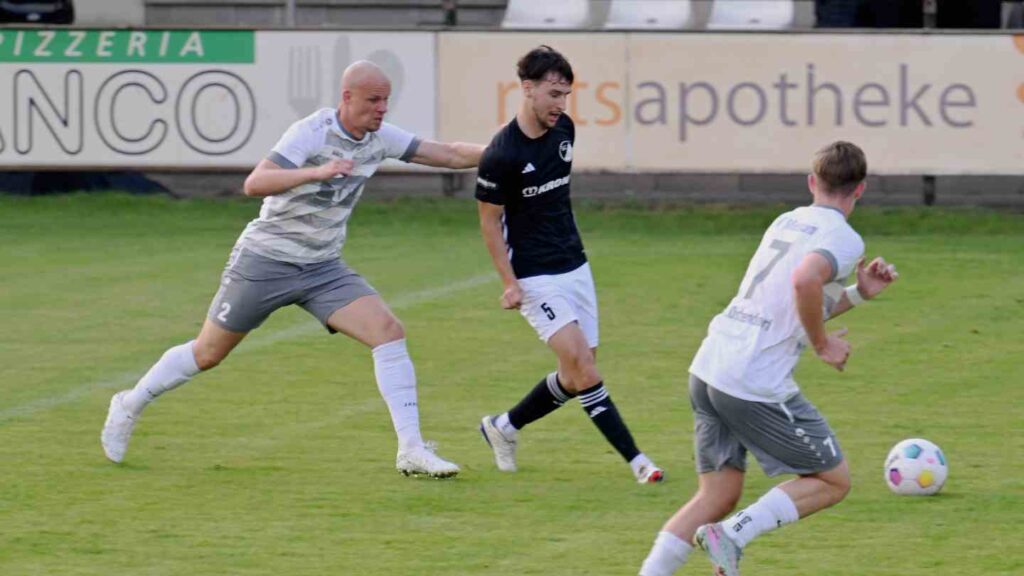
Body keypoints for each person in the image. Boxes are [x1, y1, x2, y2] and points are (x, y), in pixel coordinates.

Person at [101, 61, 485, 478]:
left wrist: (508, 150)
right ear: (347, 98)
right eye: (374, 100)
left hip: (322, 267)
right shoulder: (312, 132)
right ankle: (129, 404)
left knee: (388, 333)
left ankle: (411, 449)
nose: (381, 109)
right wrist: (317, 171)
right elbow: (256, 182)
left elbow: (447, 154)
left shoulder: (380, 139)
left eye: (386, 100)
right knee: (208, 353)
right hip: (266, 260)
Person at [639, 141, 900, 575]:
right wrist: (823, 346)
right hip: (752, 380)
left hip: (710, 367)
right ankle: (733, 534)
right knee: (833, 479)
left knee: (716, 495)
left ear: (812, 182)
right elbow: (803, 282)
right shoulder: (844, 237)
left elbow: (798, 300)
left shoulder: (787, 220)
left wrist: (858, 293)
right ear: (861, 190)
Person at [474, 45, 663, 484]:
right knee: (585, 368)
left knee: (577, 374)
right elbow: (488, 223)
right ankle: (639, 462)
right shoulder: (501, 154)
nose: (560, 104)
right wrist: (509, 283)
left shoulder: (565, 133)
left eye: (566, 95)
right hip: (535, 276)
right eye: (553, 94)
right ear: (527, 89)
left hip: (575, 265)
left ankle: (504, 427)